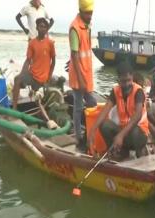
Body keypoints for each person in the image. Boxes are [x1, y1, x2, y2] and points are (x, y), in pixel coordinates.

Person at [88, 63, 149, 160]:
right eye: (123, 81)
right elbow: (105, 110)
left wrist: (120, 135)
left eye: (129, 80)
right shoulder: (115, 91)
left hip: (139, 134)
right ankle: (120, 152)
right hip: (124, 132)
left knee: (135, 131)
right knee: (105, 125)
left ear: (132, 78)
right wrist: (92, 130)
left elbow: (137, 115)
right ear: (118, 81)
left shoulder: (138, 91)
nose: (127, 84)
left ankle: (140, 150)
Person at [69, 0, 97, 151]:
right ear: (80, 11)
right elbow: (74, 55)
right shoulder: (75, 28)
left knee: (92, 103)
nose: (90, 16)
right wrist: (80, 79)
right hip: (79, 76)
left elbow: (81, 51)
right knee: (79, 106)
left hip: (86, 73)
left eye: (91, 13)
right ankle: (79, 137)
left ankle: (89, 132)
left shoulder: (87, 26)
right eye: (87, 13)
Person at [12, 18, 55, 111]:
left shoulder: (50, 43)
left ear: (46, 29)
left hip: (43, 77)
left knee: (40, 95)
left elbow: (53, 61)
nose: (42, 29)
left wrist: (49, 76)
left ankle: (35, 97)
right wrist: (22, 73)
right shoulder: (32, 43)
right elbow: (28, 60)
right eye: (40, 26)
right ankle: (14, 109)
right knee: (17, 79)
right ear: (37, 28)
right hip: (32, 74)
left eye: (44, 27)